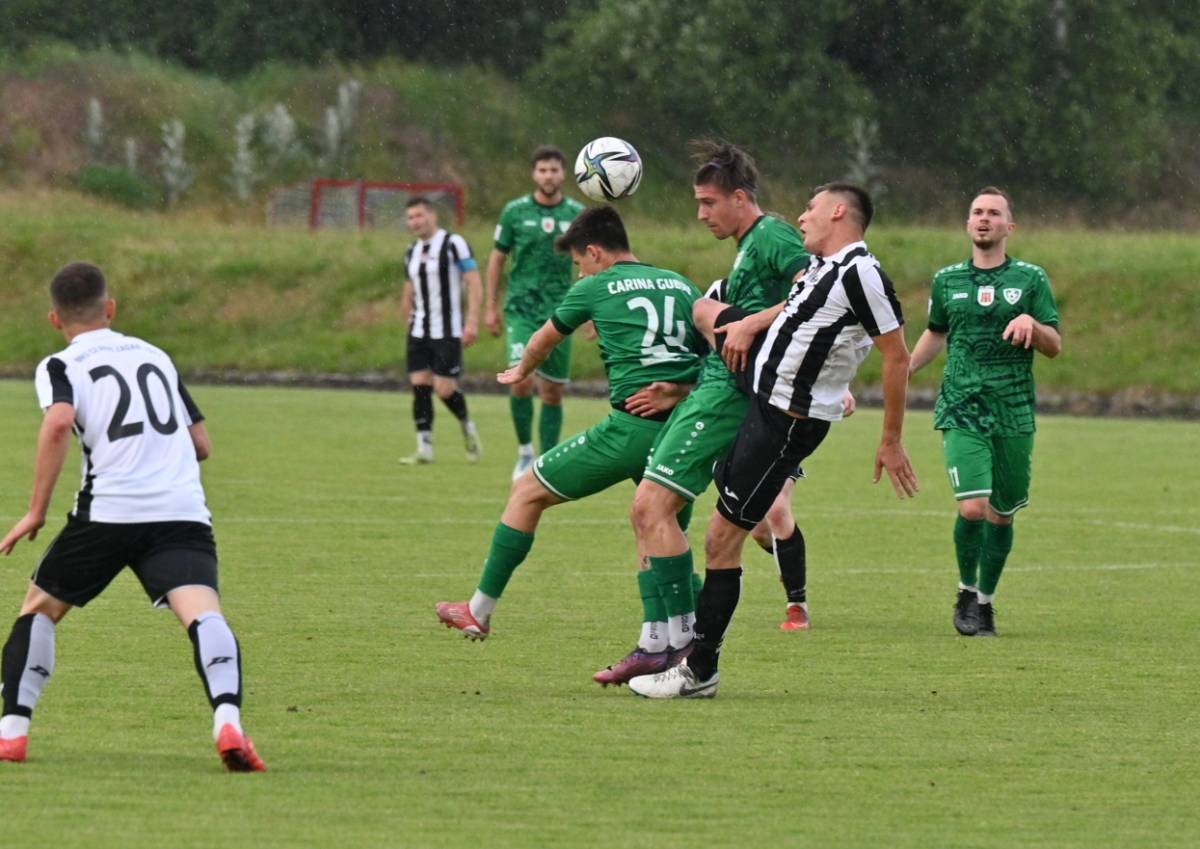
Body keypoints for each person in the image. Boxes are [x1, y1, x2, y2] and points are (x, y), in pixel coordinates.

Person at [630, 182, 918, 699]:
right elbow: (797, 318)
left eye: (810, 208)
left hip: (785, 422)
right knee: (726, 531)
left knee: (721, 539)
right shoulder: (823, 269)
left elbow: (896, 355)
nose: (801, 217)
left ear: (838, 211)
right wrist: (744, 327)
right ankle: (694, 660)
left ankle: (698, 670)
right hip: (761, 406)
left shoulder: (861, 272)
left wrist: (891, 439)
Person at [0, 262, 265, 770]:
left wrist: (36, 511)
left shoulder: (60, 365)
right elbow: (201, 444)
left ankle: (12, 732)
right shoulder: (155, 355)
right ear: (111, 308)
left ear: (54, 318)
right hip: (181, 512)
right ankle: (228, 720)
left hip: (108, 511)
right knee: (204, 615)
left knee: (39, 610)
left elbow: (58, 422)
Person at [435, 206, 703, 648]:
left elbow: (543, 340)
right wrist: (679, 388)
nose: (579, 273)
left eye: (579, 262)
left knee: (527, 490)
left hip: (631, 428)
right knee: (661, 531)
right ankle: (658, 642)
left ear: (595, 252)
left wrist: (522, 369)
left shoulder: (595, 287)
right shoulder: (681, 284)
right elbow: (712, 356)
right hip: (683, 431)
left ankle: (477, 611)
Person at [618, 141, 813, 689]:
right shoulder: (750, 245)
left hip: (728, 398)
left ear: (740, 198)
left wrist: (747, 323)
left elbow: (815, 292)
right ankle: (666, 643)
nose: (701, 214)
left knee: (653, 508)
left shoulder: (772, 235)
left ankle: (676, 646)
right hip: (711, 390)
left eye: (709, 202)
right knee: (653, 512)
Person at [908, 187, 1061, 637]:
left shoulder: (1031, 279)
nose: (984, 218)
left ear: (1009, 227)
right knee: (973, 507)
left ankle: (986, 602)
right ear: (967, 223)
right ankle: (965, 591)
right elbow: (936, 332)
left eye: (994, 213)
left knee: (1002, 512)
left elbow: (1055, 345)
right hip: (962, 406)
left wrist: (1033, 324)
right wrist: (904, 370)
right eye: (977, 212)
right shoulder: (947, 280)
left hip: (1013, 410)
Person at [486, 145, 586, 480]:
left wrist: (589, 313)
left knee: (553, 390)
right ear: (534, 174)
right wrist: (490, 307)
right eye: (542, 170)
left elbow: (589, 262)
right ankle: (525, 452)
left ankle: (547, 461)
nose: (548, 176)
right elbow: (497, 259)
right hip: (522, 308)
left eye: (554, 170)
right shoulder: (514, 212)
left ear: (563, 174)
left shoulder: (576, 214)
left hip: (561, 311)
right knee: (521, 380)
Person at [398, 196, 483, 465]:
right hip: (419, 330)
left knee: (444, 389)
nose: (415, 222)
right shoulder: (411, 251)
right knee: (420, 386)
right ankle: (424, 448)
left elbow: (473, 282)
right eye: (410, 217)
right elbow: (408, 291)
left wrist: (472, 322)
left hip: (447, 330)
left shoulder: (453, 244)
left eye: (419, 215)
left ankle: (467, 424)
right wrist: (407, 321)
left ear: (432, 215)